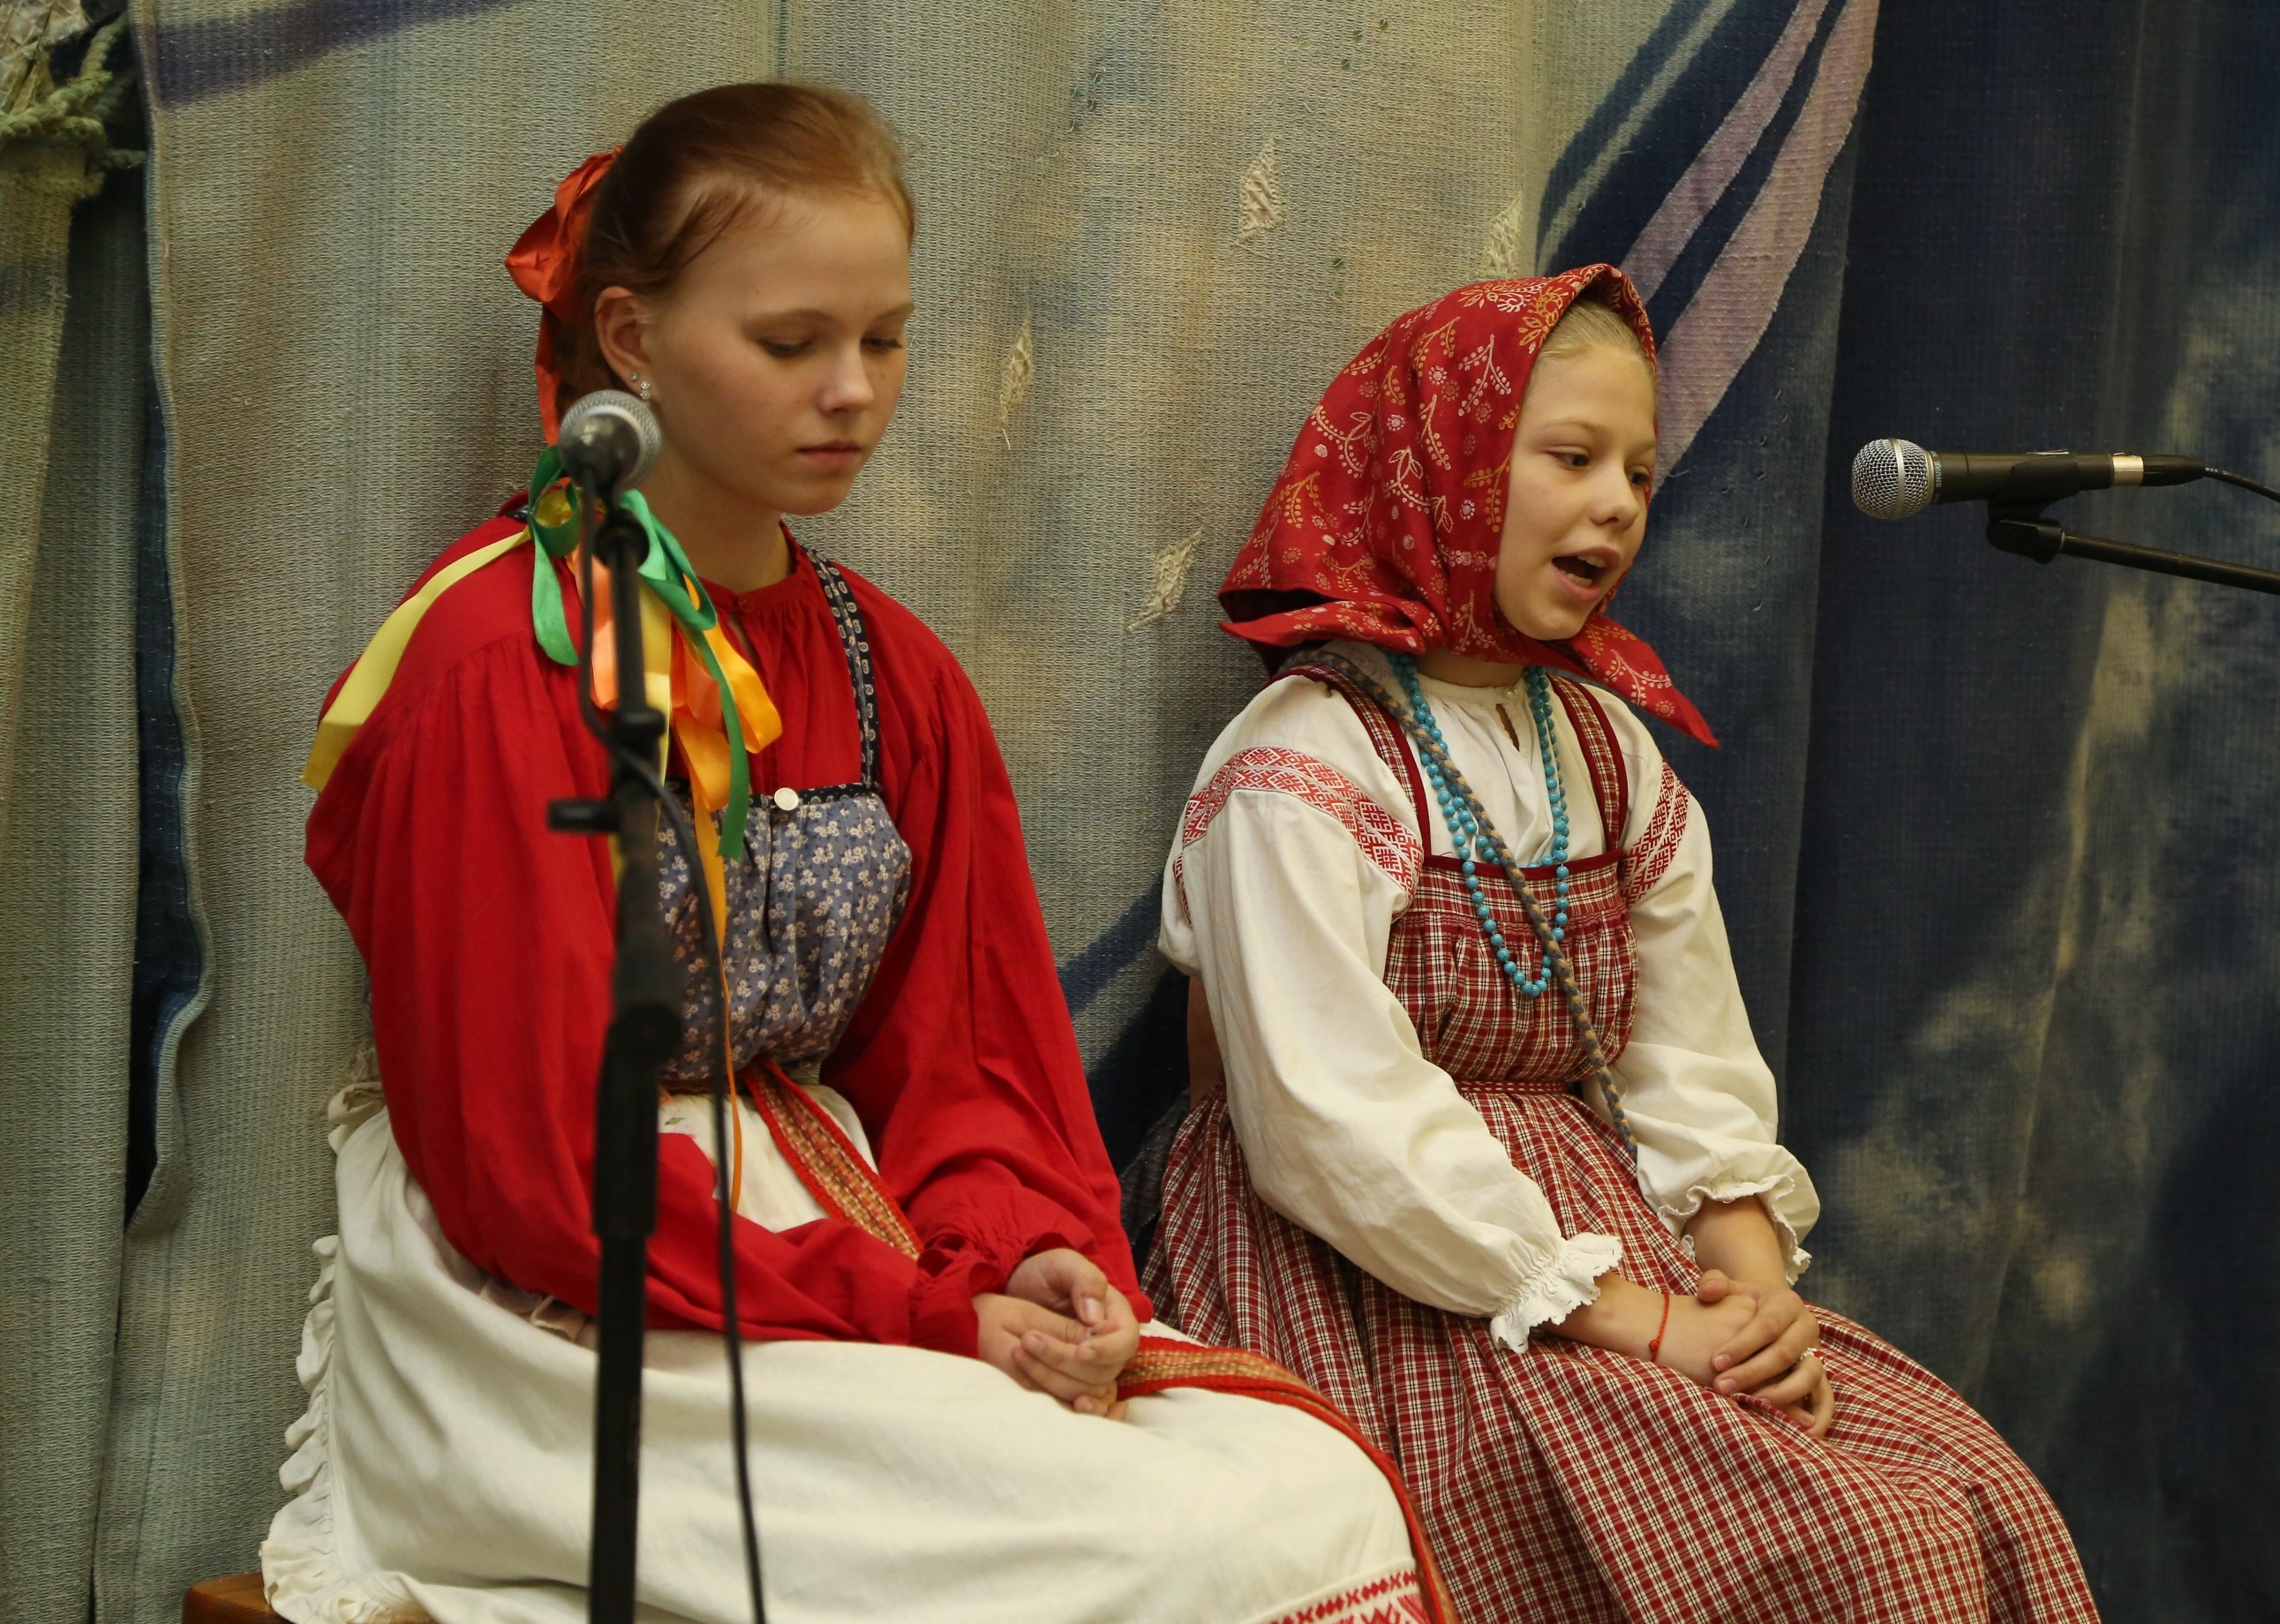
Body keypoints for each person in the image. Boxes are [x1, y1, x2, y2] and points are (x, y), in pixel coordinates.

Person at [265, 82, 1444, 1624]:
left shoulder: (892, 674)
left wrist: (1020, 1257)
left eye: (884, 340)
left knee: (1309, 1493)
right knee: (1134, 1547)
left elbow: (966, 1066)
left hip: (842, 1229)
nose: (852, 392)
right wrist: (925, 1312)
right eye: (789, 343)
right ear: (627, 337)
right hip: (563, 1302)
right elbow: (530, 1170)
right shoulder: (501, 664)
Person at [1146, 266, 2102, 1623]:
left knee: (1967, 1494)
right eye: (1572, 457)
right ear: (1443, 470)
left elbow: (1687, 1065)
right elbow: (1327, 1114)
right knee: (1850, 1547)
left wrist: (1755, 1308)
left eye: (1640, 474)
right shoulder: (1312, 760)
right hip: (1383, 1268)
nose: (1616, 503)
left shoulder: (1602, 749)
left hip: (1607, 1251)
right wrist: (1631, 1319)